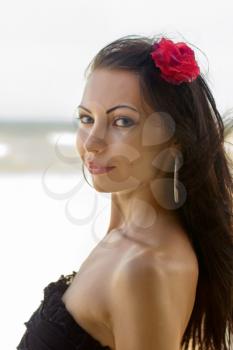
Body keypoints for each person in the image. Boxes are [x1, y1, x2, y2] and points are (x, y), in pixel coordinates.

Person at [17, 34, 233, 350]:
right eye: (86, 118)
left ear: (175, 139)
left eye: (122, 121)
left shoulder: (147, 267)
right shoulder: (125, 234)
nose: (92, 141)